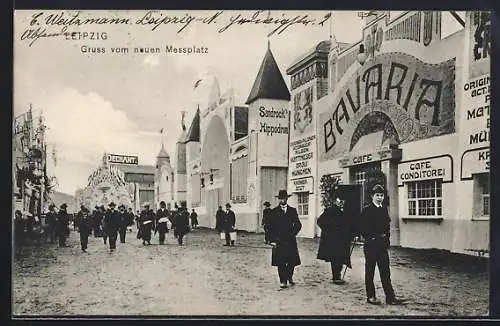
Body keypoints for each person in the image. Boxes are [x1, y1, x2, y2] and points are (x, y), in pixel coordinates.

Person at [357, 184, 405, 305]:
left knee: (385, 273)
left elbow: (387, 227)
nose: (380, 198)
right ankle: (371, 296)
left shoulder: (383, 209)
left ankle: (390, 297)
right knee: (370, 272)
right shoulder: (367, 210)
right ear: (372, 196)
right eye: (377, 195)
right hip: (371, 246)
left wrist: (386, 239)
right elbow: (362, 228)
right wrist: (371, 238)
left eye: (382, 195)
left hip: (382, 247)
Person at [317, 191, 353, 285]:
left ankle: (338, 275)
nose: (341, 202)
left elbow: (350, 224)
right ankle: (336, 277)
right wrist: (329, 230)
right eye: (339, 200)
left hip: (344, 239)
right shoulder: (330, 210)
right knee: (335, 258)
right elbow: (320, 221)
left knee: (342, 257)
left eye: (343, 200)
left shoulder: (347, 211)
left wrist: (353, 234)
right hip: (333, 240)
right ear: (336, 201)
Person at [269, 190, 302, 289]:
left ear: (287, 199)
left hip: (290, 240)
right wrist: (272, 240)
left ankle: (289, 277)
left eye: (284, 198)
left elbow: (298, 225)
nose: (282, 200)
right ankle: (283, 280)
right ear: (279, 199)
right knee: (281, 261)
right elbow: (270, 227)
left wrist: (293, 233)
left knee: (292, 261)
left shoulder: (292, 211)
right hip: (279, 241)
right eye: (281, 198)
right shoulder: (274, 212)